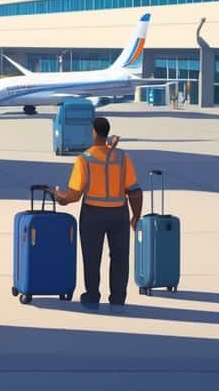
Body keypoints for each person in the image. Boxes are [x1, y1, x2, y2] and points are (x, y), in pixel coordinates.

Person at [54, 117, 142, 309]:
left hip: (92, 213)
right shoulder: (122, 157)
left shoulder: (84, 159)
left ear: (94, 132)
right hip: (119, 213)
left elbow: (74, 195)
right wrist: (136, 215)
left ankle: (92, 296)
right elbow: (134, 190)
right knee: (120, 257)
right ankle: (118, 298)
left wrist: (59, 196)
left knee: (91, 256)